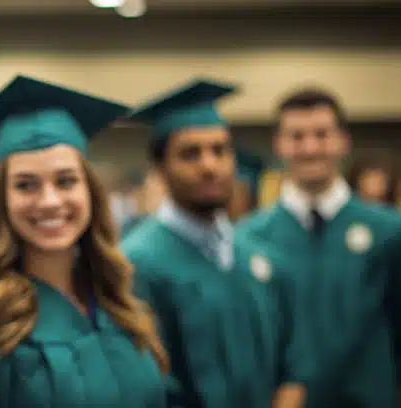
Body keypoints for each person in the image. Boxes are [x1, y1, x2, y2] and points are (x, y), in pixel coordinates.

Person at [0, 75, 169, 407]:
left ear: (89, 190)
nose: (49, 201)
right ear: (2, 200)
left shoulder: (123, 300)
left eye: (66, 181)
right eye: (26, 185)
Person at [238, 88, 401, 408]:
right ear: (278, 144)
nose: (310, 147)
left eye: (322, 135)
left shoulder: (391, 231)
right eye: (297, 136)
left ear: (343, 140)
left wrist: (384, 377)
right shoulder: (247, 238)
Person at [120, 79, 306, 408]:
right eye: (190, 154)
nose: (209, 166)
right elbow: (149, 387)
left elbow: (293, 360)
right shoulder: (137, 264)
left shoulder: (257, 255)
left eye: (220, 150)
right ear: (161, 168)